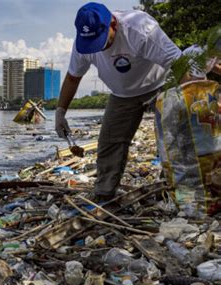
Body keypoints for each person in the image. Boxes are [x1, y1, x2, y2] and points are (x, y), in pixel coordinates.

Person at [55, 2, 182, 202]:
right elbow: (73, 77)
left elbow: (180, 64)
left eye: (102, 40)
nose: (100, 47)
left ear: (113, 24)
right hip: (122, 94)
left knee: (171, 138)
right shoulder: (84, 43)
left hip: (160, 85)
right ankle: (104, 194)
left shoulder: (140, 29)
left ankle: (176, 189)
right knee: (109, 143)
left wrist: (194, 100)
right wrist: (60, 112)